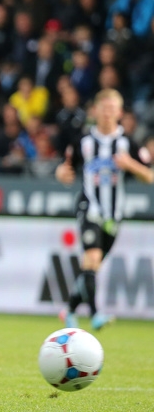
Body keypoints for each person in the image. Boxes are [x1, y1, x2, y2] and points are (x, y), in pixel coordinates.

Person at [55, 89, 153, 331]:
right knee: (93, 257)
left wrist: (130, 165)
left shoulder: (128, 144)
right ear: (95, 111)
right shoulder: (83, 142)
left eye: (112, 109)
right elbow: (65, 169)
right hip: (89, 207)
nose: (108, 114)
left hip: (114, 215)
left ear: (119, 113)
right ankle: (96, 314)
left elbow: (149, 176)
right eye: (104, 108)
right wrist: (60, 173)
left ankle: (68, 310)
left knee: (92, 265)